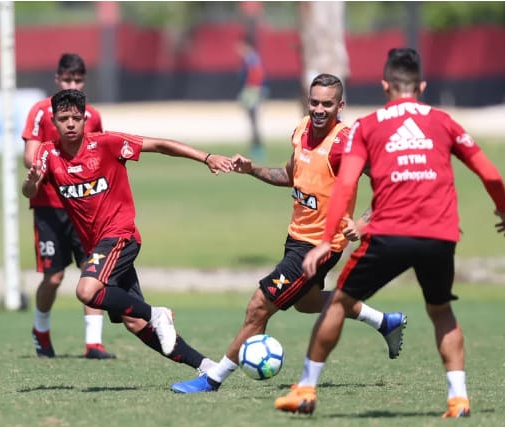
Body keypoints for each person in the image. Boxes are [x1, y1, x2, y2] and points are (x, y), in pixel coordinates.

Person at [274, 48, 505, 418]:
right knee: (441, 312)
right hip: (439, 234)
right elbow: (492, 174)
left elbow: (346, 185)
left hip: (389, 234)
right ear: (421, 85)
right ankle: (458, 399)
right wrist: (502, 209)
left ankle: (305, 389)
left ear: (385, 85)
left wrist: (324, 242)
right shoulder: (444, 122)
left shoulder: (367, 126)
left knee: (337, 303)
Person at [170, 73, 407, 395]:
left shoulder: (345, 142)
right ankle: (384, 321)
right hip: (296, 237)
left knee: (258, 306)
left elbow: (386, 181)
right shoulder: (301, 130)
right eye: (314, 102)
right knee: (307, 303)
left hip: (319, 246)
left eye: (327, 103)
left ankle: (212, 378)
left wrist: (363, 223)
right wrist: (252, 169)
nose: (319, 109)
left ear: (341, 105)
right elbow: (290, 175)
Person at [22, 89, 234, 374]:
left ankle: (158, 313)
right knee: (134, 322)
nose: (70, 124)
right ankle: (206, 366)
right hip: (97, 246)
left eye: (76, 118)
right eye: (63, 119)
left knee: (86, 291)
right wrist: (32, 183)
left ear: (85, 119)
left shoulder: (107, 144)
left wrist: (206, 157)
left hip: (120, 236)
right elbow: (28, 191)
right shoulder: (48, 153)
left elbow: (159, 145)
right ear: (55, 122)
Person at [22, 53, 115, 359]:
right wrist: (45, 170)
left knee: (91, 270)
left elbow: (100, 154)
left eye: (77, 80)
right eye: (67, 79)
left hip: (84, 207)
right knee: (54, 277)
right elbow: (30, 156)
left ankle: (94, 343)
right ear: (57, 79)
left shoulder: (93, 116)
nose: (71, 84)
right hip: (49, 206)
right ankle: (41, 329)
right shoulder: (40, 112)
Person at [236, 37, 267, 162]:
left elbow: (257, 75)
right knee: (252, 120)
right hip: (251, 91)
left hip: (252, 91)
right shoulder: (250, 59)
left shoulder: (252, 59)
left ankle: (257, 147)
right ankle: (255, 146)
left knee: (254, 120)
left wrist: (251, 91)